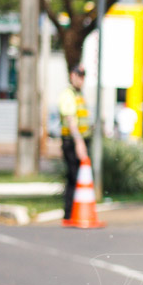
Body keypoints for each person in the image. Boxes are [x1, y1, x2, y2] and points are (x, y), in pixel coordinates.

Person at [57, 65, 91, 223]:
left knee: (78, 178)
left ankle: (75, 212)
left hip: (79, 141)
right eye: (79, 75)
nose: (81, 79)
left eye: (83, 76)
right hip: (72, 142)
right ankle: (69, 214)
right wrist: (79, 143)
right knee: (73, 177)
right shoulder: (68, 95)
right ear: (72, 76)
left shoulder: (79, 94)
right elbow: (71, 121)